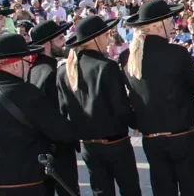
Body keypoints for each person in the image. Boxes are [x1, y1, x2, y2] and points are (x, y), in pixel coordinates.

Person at [0, 34, 75, 195]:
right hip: (21, 185)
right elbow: (61, 132)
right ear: (16, 64)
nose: (29, 66)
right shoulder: (26, 93)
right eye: (28, 61)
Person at [119, 0, 194, 195]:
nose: (173, 24)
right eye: (170, 20)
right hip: (183, 135)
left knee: (162, 190)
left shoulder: (127, 57)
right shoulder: (176, 53)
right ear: (159, 25)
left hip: (152, 139)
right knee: (192, 190)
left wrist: (138, 122)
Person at [58, 16, 142, 195]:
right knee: (130, 190)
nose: (109, 40)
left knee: (101, 192)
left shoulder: (64, 72)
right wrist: (137, 123)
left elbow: (63, 111)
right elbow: (121, 107)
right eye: (106, 35)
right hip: (115, 143)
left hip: (88, 146)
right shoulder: (106, 67)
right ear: (93, 39)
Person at [25, 20, 80, 196]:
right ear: (47, 44)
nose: (64, 41)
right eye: (59, 37)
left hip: (39, 149)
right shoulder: (51, 72)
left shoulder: (33, 69)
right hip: (57, 150)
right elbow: (57, 113)